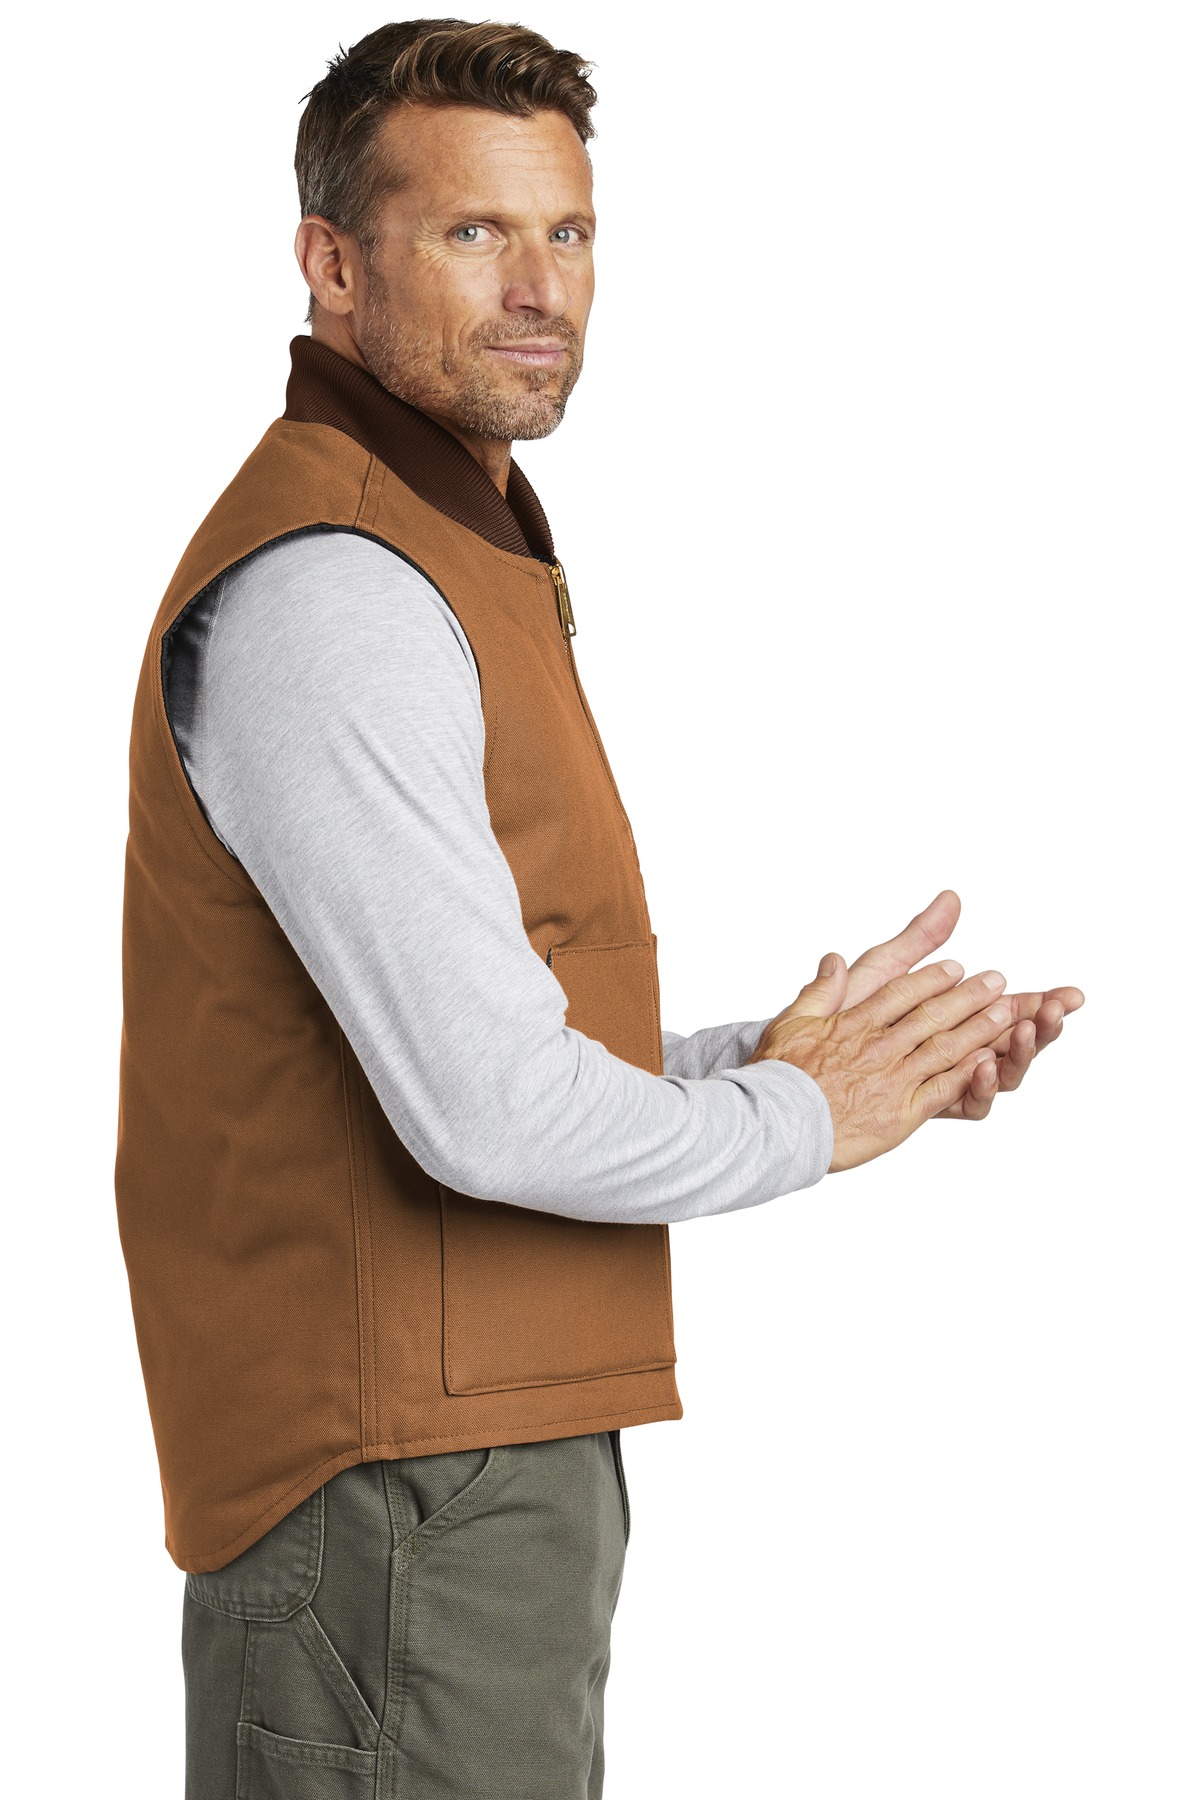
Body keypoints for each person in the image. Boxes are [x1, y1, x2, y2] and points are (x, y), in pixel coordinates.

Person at [113, 19, 1083, 1798]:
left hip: (463, 1472)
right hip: (394, 1494)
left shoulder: (450, 544)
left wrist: (792, 1056)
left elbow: (480, 1032)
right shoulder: (341, 591)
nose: (538, 286)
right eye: (473, 232)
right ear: (333, 263)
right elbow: (489, 1110)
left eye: (566, 232)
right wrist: (806, 1115)